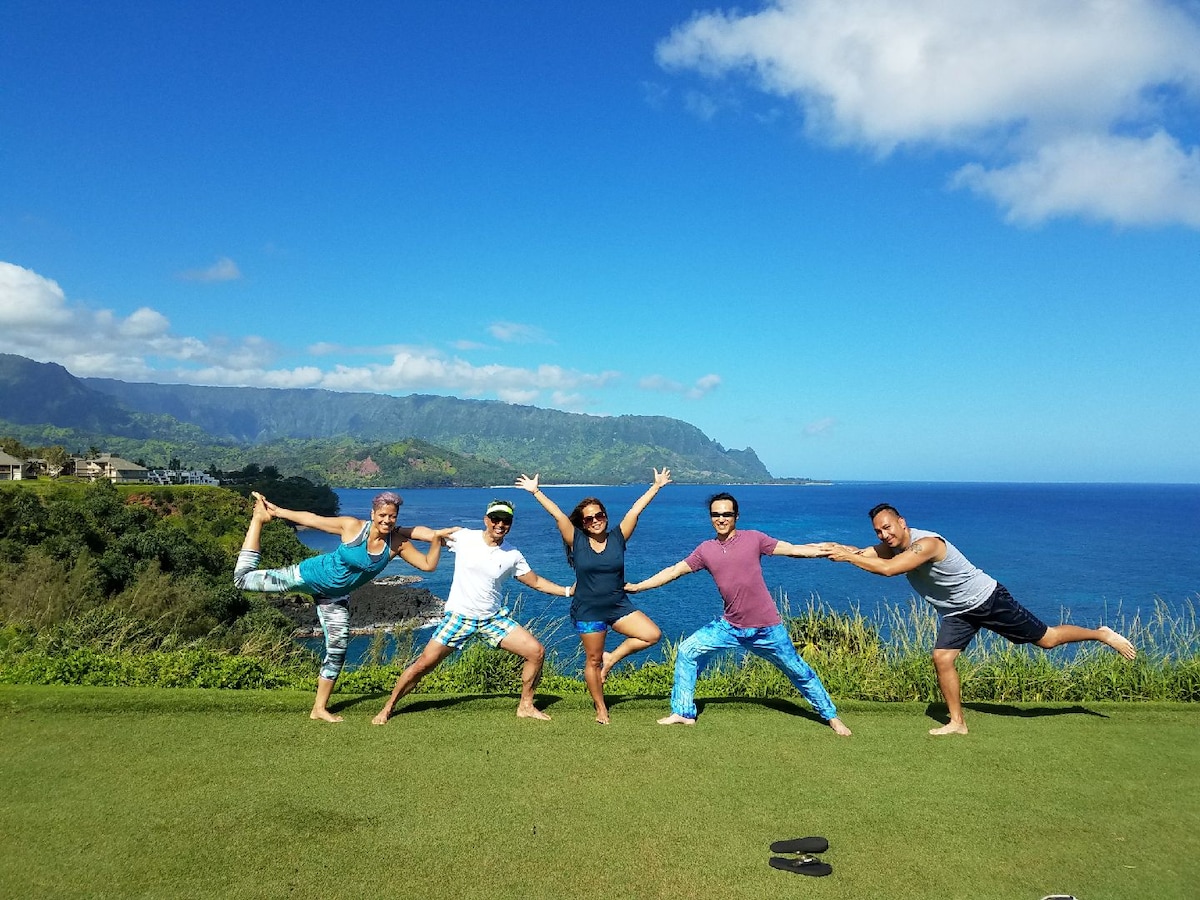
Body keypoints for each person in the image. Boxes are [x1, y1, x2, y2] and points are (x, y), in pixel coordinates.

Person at [825, 503, 1136, 736]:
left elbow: (890, 569)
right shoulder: (892, 545)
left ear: (902, 523)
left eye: (888, 527)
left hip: (987, 600)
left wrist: (849, 557)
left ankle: (1101, 634)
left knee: (1048, 640)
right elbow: (866, 553)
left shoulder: (927, 543)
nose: (884, 534)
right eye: (879, 531)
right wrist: (834, 550)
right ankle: (957, 722)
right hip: (957, 612)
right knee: (942, 657)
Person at [626, 492, 852, 736]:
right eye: (716, 514)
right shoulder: (705, 550)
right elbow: (673, 571)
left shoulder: (754, 539)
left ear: (736, 516)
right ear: (711, 517)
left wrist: (834, 551)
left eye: (726, 514)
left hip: (767, 628)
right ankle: (683, 712)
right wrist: (639, 586)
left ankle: (831, 717)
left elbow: (794, 549)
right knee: (688, 650)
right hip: (730, 627)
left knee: (799, 671)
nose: (721, 519)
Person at [234, 491, 452, 722]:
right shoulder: (352, 526)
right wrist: (276, 512)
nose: (387, 520)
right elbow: (312, 519)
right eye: (382, 515)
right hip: (308, 575)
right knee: (242, 580)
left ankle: (319, 708)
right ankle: (257, 520)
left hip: (334, 597)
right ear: (372, 514)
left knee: (337, 651)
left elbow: (428, 565)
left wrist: (436, 540)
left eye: (392, 516)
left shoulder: (396, 543)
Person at [372, 499, 574, 724]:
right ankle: (388, 707)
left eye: (505, 520)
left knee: (536, 652)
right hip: (459, 617)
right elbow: (430, 534)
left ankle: (526, 705)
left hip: (492, 619)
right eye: (495, 519)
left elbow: (535, 581)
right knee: (423, 665)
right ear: (486, 520)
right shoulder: (465, 537)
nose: (500, 524)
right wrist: (395, 529)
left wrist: (567, 591)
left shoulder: (512, 554)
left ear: (510, 524)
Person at [516, 469, 669, 724]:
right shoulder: (577, 540)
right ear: (583, 523)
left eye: (599, 515)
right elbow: (557, 515)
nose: (595, 520)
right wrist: (536, 492)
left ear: (606, 517)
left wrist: (656, 487)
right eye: (589, 519)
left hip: (619, 606)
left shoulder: (618, 538)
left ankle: (613, 657)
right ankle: (600, 708)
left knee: (651, 634)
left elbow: (634, 512)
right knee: (593, 660)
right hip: (588, 610)